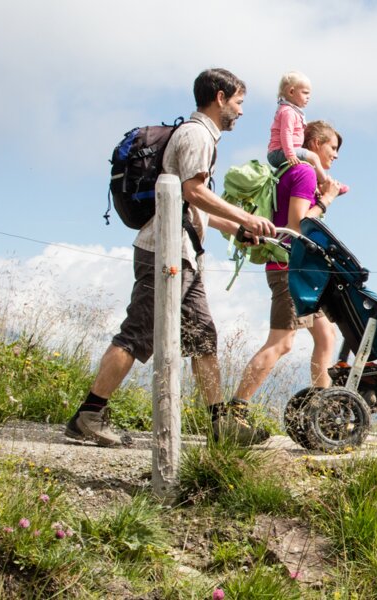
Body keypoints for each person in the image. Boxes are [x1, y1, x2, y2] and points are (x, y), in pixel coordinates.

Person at [66, 68, 278, 448]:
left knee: (202, 338)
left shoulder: (198, 135)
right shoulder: (197, 135)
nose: (242, 112)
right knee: (136, 336)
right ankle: (89, 415)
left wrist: (236, 230)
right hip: (164, 254)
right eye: (239, 102)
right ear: (219, 97)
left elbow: (190, 206)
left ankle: (220, 426)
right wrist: (246, 216)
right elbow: (194, 192)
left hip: (183, 256)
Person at [230, 120, 344, 409]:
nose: (336, 155)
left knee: (326, 334)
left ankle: (323, 409)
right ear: (315, 144)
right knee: (282, 342)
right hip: (288, 269)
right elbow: (298, 225)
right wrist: (327, 200)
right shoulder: (303, 171)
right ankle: (236, 408)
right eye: (333, 147)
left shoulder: (287, 170)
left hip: (296, 270)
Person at [265, 71, 344, 194]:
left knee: (309, 162)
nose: (308, 97)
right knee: (313, 157)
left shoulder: (292, 111)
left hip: (283, 151)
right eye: (305, 93)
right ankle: (326, 184)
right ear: (291, 92)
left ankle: (316, 188)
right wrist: (290, 154)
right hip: (279, 152)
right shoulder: (288, 112)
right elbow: (285, 134)